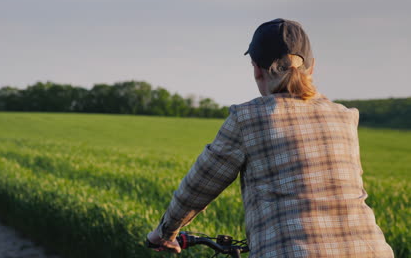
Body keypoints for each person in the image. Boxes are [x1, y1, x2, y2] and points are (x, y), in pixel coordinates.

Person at [147, 18, 394, 257]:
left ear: (256, 69)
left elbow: (200, 184)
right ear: (313, 67)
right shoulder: (345, 117)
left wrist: (166, 231)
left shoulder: (248, 117)